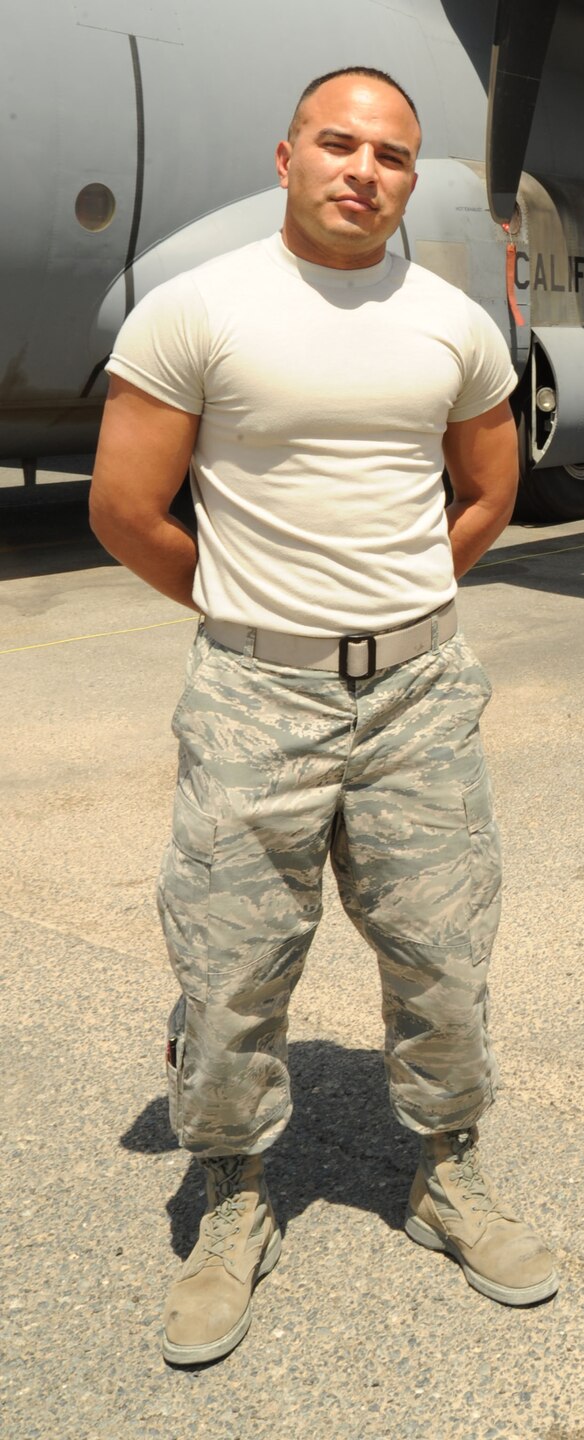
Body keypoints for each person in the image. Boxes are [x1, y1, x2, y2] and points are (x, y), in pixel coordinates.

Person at [90, 67, 556, 1368]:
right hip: (256, 692)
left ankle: (448, 1175)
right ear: (286, 153)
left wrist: (395, 607)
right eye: (338, 145)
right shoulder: (199, 312)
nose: (364, 170)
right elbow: (127, 510)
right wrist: (254, 610)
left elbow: (487, 492)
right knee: (234, 967)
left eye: (392, 155)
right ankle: (234, 1201)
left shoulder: (452, 323)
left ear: (414, 177)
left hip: (419, 691)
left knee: (443, 952)